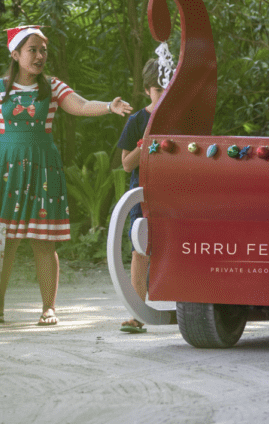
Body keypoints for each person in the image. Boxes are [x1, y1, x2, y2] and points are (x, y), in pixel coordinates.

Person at [0, 26, 132, 327]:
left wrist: (109, 106)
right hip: (5, 171)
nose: (40, 55)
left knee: (44, 242)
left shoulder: (52, 87)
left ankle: (48, 308)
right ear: (15, 54)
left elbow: (80, 105)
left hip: (43, 169)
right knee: (4, 241)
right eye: (32, 50)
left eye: (43, 50)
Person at [114, 58, 165, 333]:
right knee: (139, 249)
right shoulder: (138, 119)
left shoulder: (180, 117)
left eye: (168, 90)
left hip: (172, 193)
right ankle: (136, 313)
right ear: (147, 90)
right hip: (142, 194)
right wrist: (146, 141)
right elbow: (125, 164)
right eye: (158, 90)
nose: (163, 96)